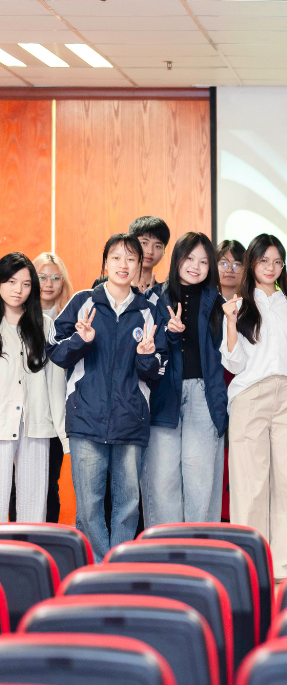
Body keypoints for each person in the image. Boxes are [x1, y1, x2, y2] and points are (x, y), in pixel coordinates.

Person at [48, 233, 166, 562]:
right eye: (116, 257)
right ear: (105, 263)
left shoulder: (148, 310)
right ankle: (100, 568)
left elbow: (157, 371)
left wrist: (146, 357)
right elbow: (55, 352)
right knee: (89, 507)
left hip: (131, 419)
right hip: (86, 418)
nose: (123, 264)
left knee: (127, 506)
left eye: (130, 258)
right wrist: (81, 341)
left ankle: (120, 567)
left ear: (139, 264)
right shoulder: (83, 302)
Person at [220, 233, 287, 577]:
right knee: (250, 485)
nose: (271, 267)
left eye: (277, 262)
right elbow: (233, 363)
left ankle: (286, 567)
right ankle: (252, 566)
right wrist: (230, 321)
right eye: (264, 261)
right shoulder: (238, 306)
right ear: (252, 263)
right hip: (250, 397)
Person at [142, 232, 228, 527]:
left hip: (204, 396)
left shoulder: (218, 302)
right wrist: (170, 334)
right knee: (161, 479)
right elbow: (146, 354)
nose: (196, 266)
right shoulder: (154, 299)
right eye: (190, 258)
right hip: (163, 395)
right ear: (177, 258)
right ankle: (163, 547)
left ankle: (200, 547)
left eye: (203, 261)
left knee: (199, 481)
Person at [0, 253, 67, 523]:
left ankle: (28, 552)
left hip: (36, 427)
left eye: (26, 284)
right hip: (1, 424)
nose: (18, 290)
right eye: (11, 281)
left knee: (33, 511)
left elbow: (56, 385)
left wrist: (64, 435)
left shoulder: (45, 326)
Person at [32, 251, 73, 523]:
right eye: (42, 277)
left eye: (56, 278)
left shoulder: (71, 319)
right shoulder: (14, 317)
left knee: (49, 487)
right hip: (25, 419)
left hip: (58, 420)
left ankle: (48, 544)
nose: (48, 283)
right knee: (17, 489)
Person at [129, 216, 170, 295]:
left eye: (157, 246)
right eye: (144, 243)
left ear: (163, 252)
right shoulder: (108, 285)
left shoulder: (164, 294)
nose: (150, 251)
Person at [34, 252, 74, 318]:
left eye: (55, 278)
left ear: (63, 281)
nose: (49, 284)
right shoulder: (19, 310)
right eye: (42, 277)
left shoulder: (73, 312)